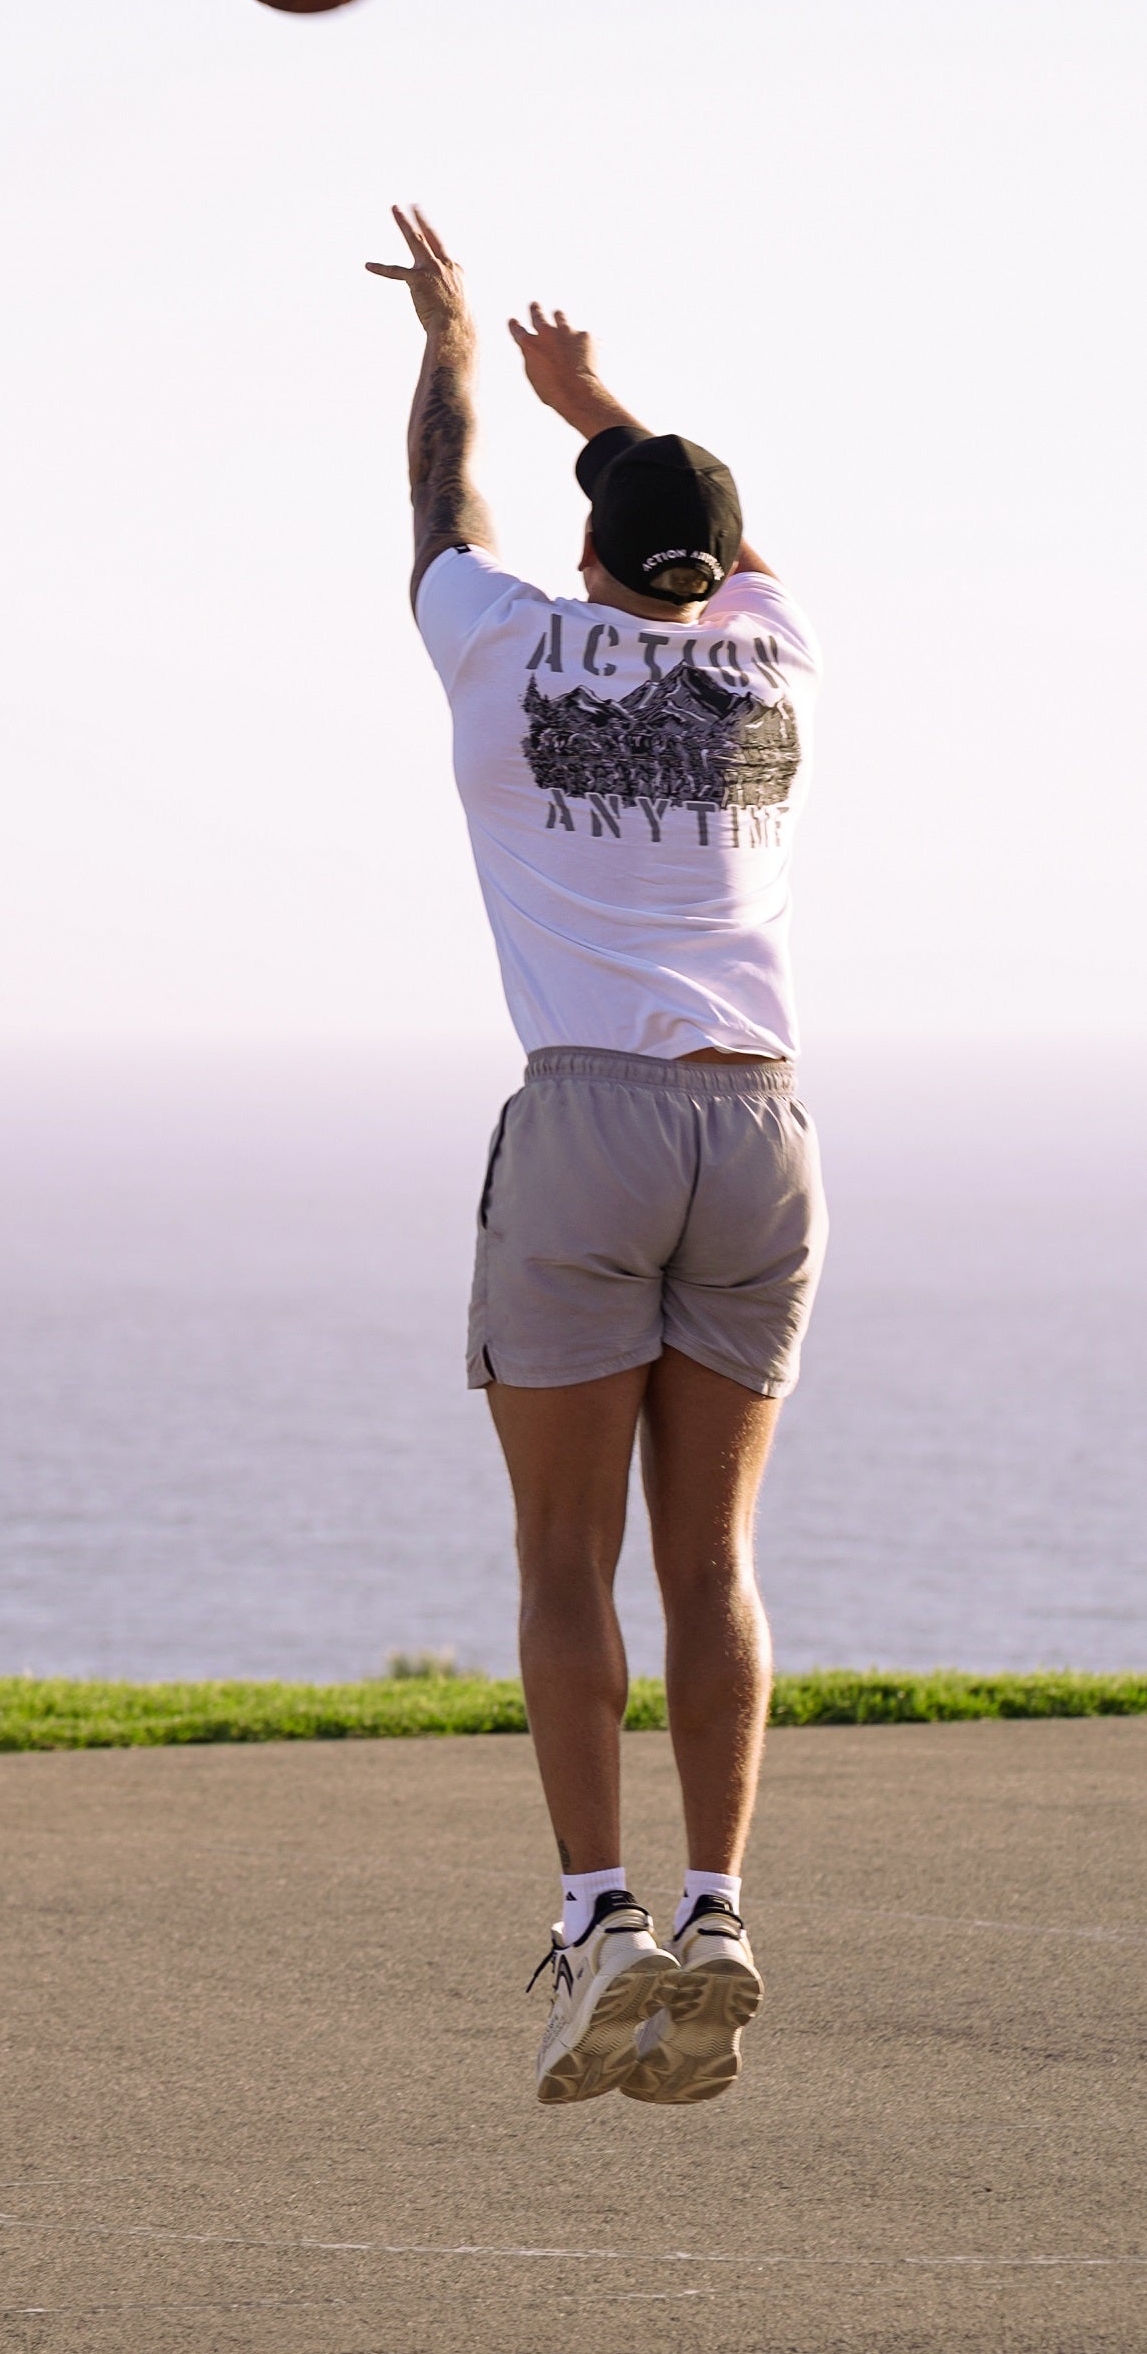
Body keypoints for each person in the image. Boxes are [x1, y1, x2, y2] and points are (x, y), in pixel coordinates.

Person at [367, 205, 824, 2107]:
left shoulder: (503, 641)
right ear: (711, 573)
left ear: (585, 559)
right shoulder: (774, 661)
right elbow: (714, 542)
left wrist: (465, 344)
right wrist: (608, 408)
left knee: (565, 1552)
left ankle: (594, 1919)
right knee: (706, 1551)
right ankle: (716, 1911)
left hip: (586, 1120)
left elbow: (433, 507)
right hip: (762, 1123)